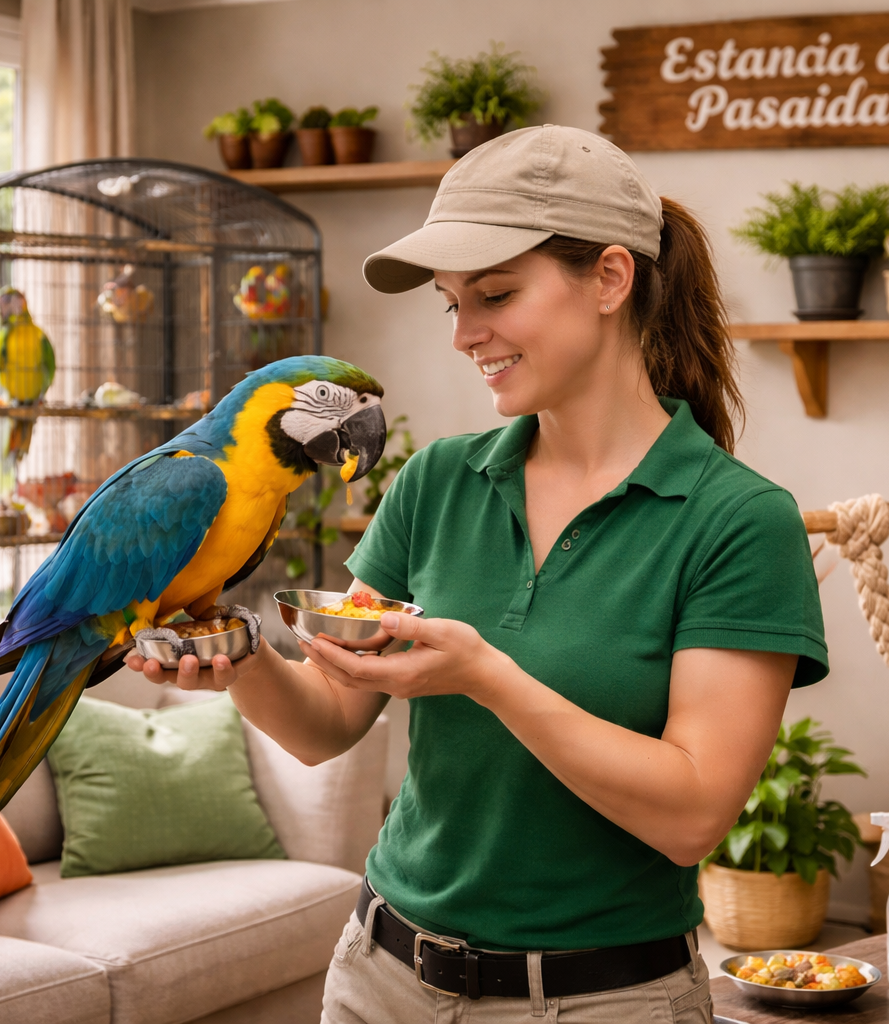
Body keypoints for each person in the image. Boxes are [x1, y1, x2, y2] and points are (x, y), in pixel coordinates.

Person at [126, 124, 827, 1023]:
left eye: (495, 294)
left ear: (611, 279)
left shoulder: (738, 521)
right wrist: (238, 654)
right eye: (451, 304)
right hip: (381, 981)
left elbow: (692, 817)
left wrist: (485, 676)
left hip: (603, 1003)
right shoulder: (437, 482)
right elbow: (327, 719)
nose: (465, 335)